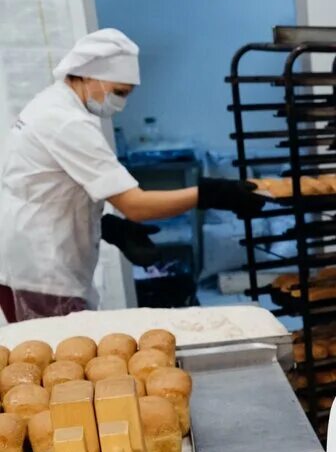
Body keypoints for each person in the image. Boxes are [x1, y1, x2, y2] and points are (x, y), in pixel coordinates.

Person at [0, 28, 263, 323]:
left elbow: (46, 186)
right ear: (88, 75)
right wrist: (212, 193)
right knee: (63, 362)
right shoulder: (66, 122)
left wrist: (110, 227)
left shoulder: (50, 103)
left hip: (28, 258)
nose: (120, 103)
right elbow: (137, 205)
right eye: (119, 92)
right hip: (42, 272)